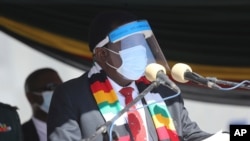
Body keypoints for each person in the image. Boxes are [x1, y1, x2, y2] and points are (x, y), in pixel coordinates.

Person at [47, 10, 229, 141]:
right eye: (129, 44)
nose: (140, 49)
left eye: (141, 42)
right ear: (103, 54)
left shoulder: (162, 89)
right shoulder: (72, 95)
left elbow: (191, 136)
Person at [22, 68, 63, 141]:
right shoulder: (19, 135)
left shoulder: (82, 129)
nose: (59, 92)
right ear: (31, 97)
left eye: (62, 87)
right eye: (52, 87)